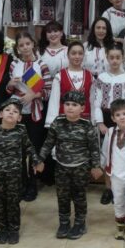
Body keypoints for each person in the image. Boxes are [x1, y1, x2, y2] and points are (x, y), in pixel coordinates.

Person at [39, 91, 103, 240]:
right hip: (61, 166)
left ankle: (80, 223)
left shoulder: (87, 126)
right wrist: (40, 159)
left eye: (74, 105)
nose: (70, 107)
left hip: (80, 167)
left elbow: (94, 148)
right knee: (62, 196)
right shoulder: (57, 122)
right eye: (67, 104)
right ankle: (64, 223)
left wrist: (96, 166)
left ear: (82, 108)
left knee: (79, 196)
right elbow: (48, 144)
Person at [0, 99, 41, 244]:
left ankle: (14, 230)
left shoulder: (21, 131)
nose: (11, 113)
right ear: (1, 114)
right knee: (0, 204)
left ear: (19, 118)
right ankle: (3, 230)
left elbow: (30, 148)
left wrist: (36, 161)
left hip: (15, 175)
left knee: (13, 204)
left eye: (15, 112)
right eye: (8, 110)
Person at [7, 32, 51, 201]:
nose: (25, 47)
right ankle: (21, 184)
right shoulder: (14, 65)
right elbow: (9, 91)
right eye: (21, 45)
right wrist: (10, 84)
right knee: (19, 150)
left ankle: (32, 184)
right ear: (17, 48)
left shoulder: (42, 65)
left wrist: (33, 95)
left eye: (27, 43)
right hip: (17, 114)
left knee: (33, 150)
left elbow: (47, 90)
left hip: (35, 113)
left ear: (33, 44)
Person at [101, 99, 125, 242]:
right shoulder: (110, 133)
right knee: (118, 202)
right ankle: (120, 226)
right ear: (112, 118)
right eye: (118, 115)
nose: (122, 117)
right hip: (115, 175)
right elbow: (105, 152)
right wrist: (103, 169)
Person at [46, 41, 94, 126]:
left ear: (83, 56)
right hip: (64, 123)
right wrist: (51, 123)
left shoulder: (90, 76)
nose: (77, 56)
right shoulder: (59, 76)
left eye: (80, 53)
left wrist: (94, 122)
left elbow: (93, 101)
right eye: (73, 53)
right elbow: (54, 101)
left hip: (84, 122)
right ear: (68, 55)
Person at [92, 46, 125, 134]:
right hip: (105, 117)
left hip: (122, 117)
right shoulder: (102, 78)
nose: (114, 60)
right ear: (107, 58)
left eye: (117, 57)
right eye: (111, 58)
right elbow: (97, 102)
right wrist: (100, 123)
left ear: (122, 58)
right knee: (105, 145)